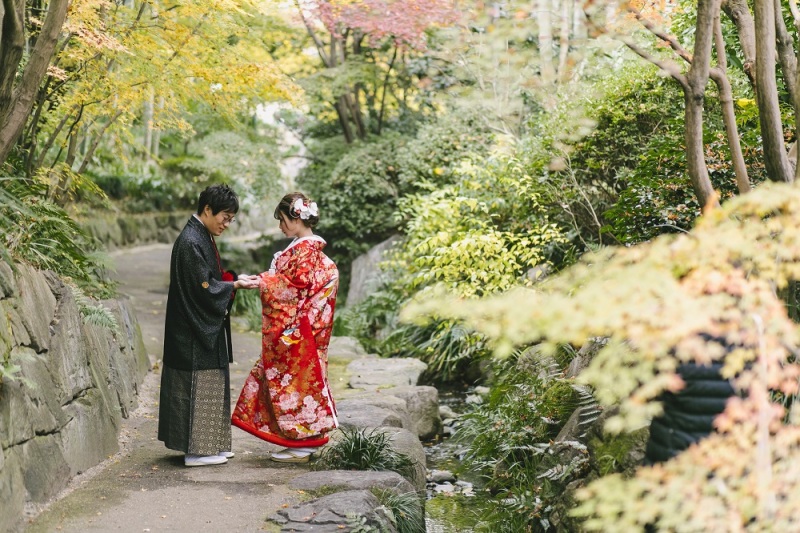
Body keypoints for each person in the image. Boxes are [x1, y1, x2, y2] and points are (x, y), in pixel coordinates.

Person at [231, 192, 339, 463]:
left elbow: (294, 287)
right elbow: (291, 282)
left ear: (296, 218)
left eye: (282, 220)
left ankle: (303, 441)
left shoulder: (305, 249)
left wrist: (261, 282)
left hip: (298, 328)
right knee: (295, 382)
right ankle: (302, 439)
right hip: (306, 326)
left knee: (296, 384)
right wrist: (264, 279)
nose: (280, 226)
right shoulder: (304, 247)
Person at [157, 184, 259, 467]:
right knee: (200, 384)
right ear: (207, 210)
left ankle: (210, 445)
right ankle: (197, 450)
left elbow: (210, 279)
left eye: (231, 219)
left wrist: (232, 280)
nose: (227, 224)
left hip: (197, 324)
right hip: (191, 328)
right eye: (224, 217)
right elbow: (203, 288)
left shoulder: (199, 235)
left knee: (212, 382)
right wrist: (233, 284)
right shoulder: (191, 240)